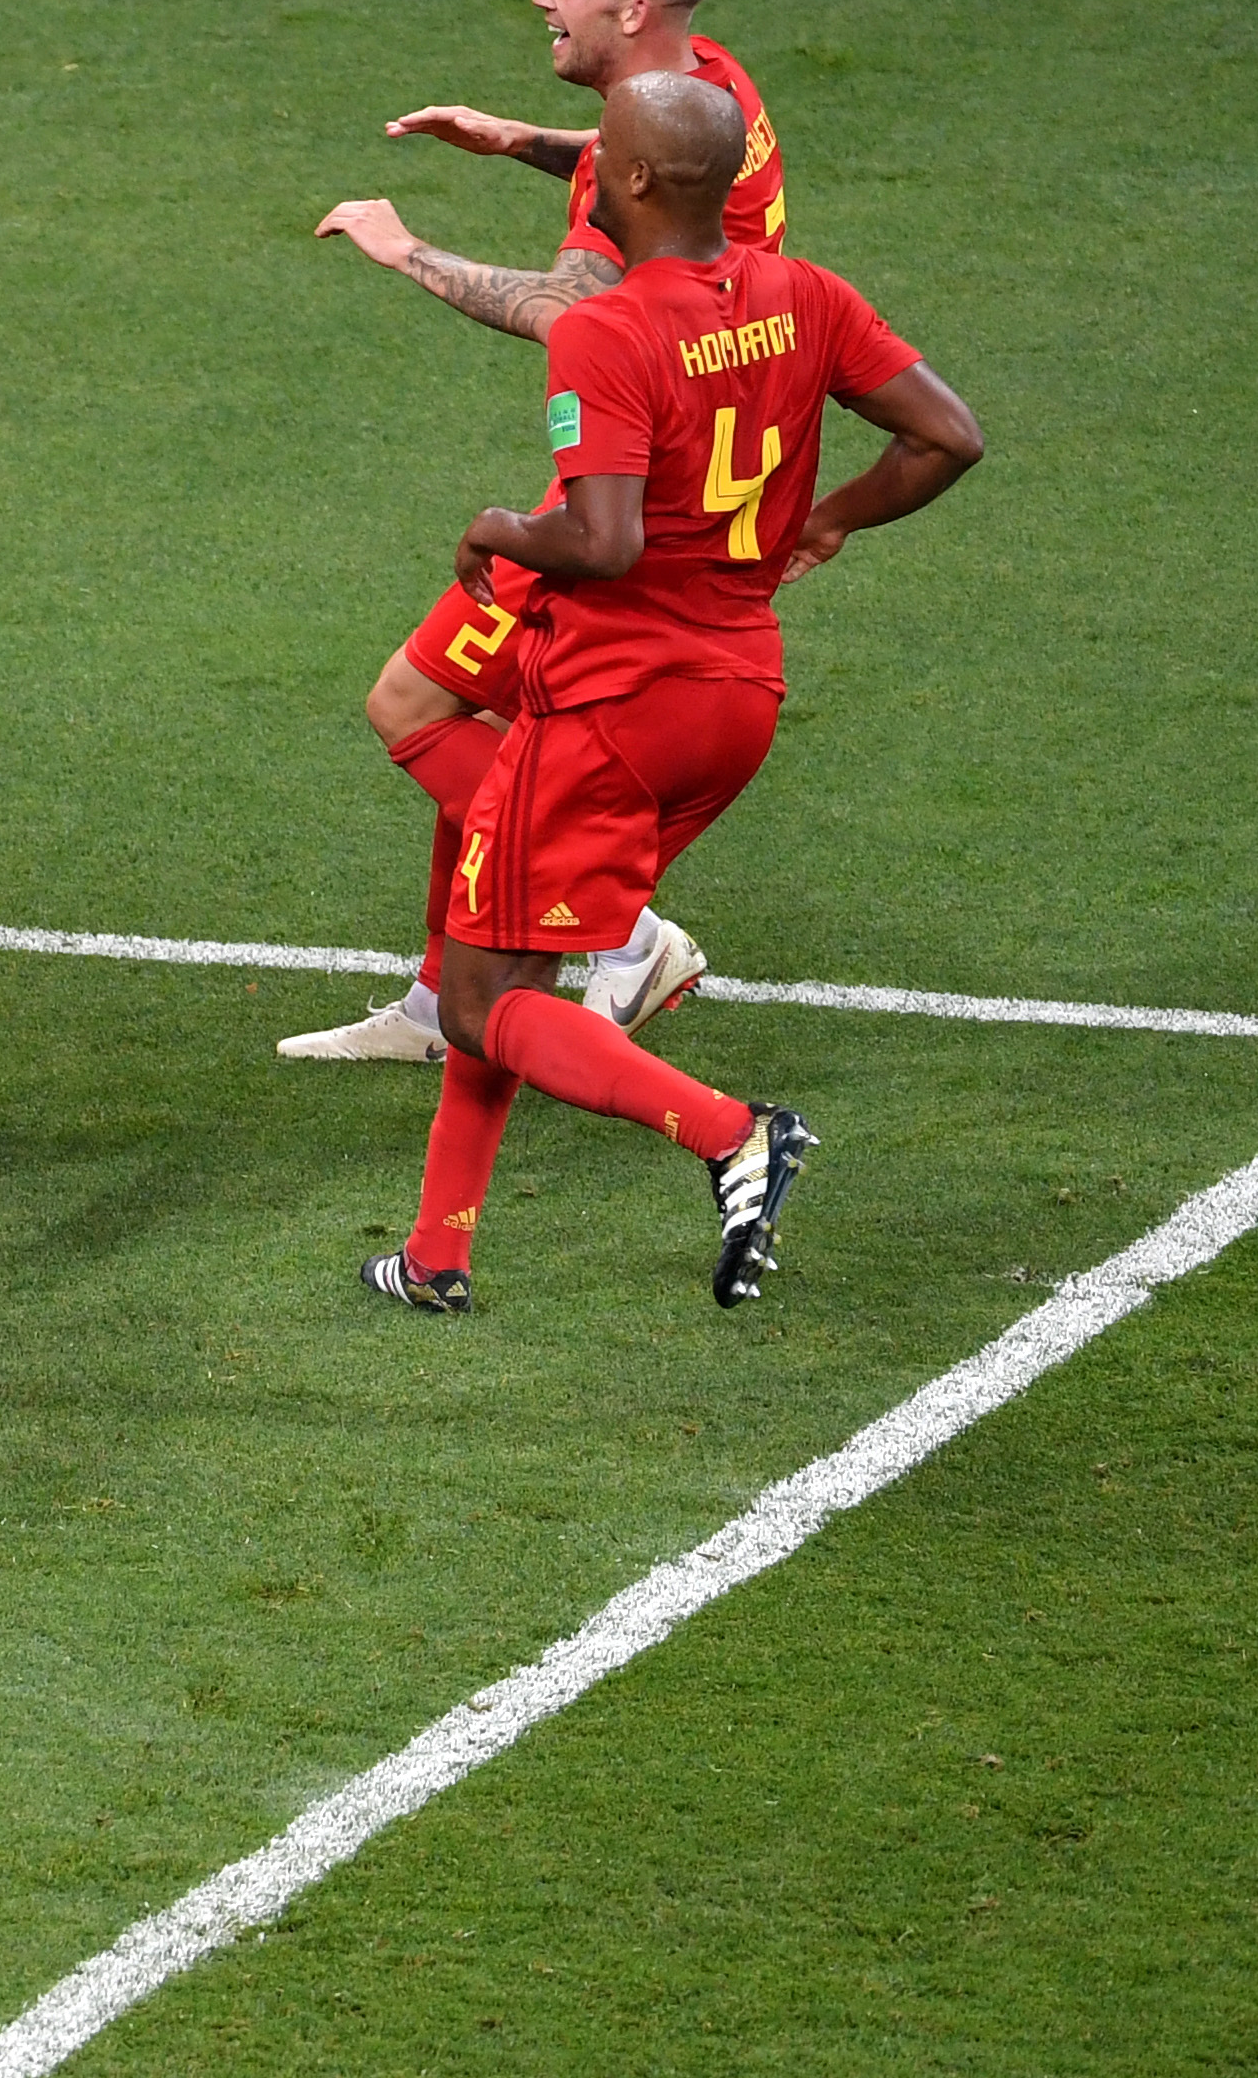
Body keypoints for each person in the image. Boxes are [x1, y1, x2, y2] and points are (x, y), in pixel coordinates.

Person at [373, 68, 980, 1313]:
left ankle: (729, 1132)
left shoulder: (606, 331)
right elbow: (948, 436)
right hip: (736, 695)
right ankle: (437, 1256)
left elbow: (602, 543)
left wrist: (499, 526)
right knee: (510, 962)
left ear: (635, 181)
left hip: (611, 699)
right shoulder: (807, 296)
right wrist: (832, 518)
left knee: (484, 1001)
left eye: (603, 151)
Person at [296, 0, 785, 1067]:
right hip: (710, 491)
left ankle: (619, 931)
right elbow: (643, 163)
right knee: (474, 718)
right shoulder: (714, 87)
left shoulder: (644, 125)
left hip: (628, 508)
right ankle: (433, 1003)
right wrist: (519, 139)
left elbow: (568, 308)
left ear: (632, 6)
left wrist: (400, 246)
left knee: (412, 707)